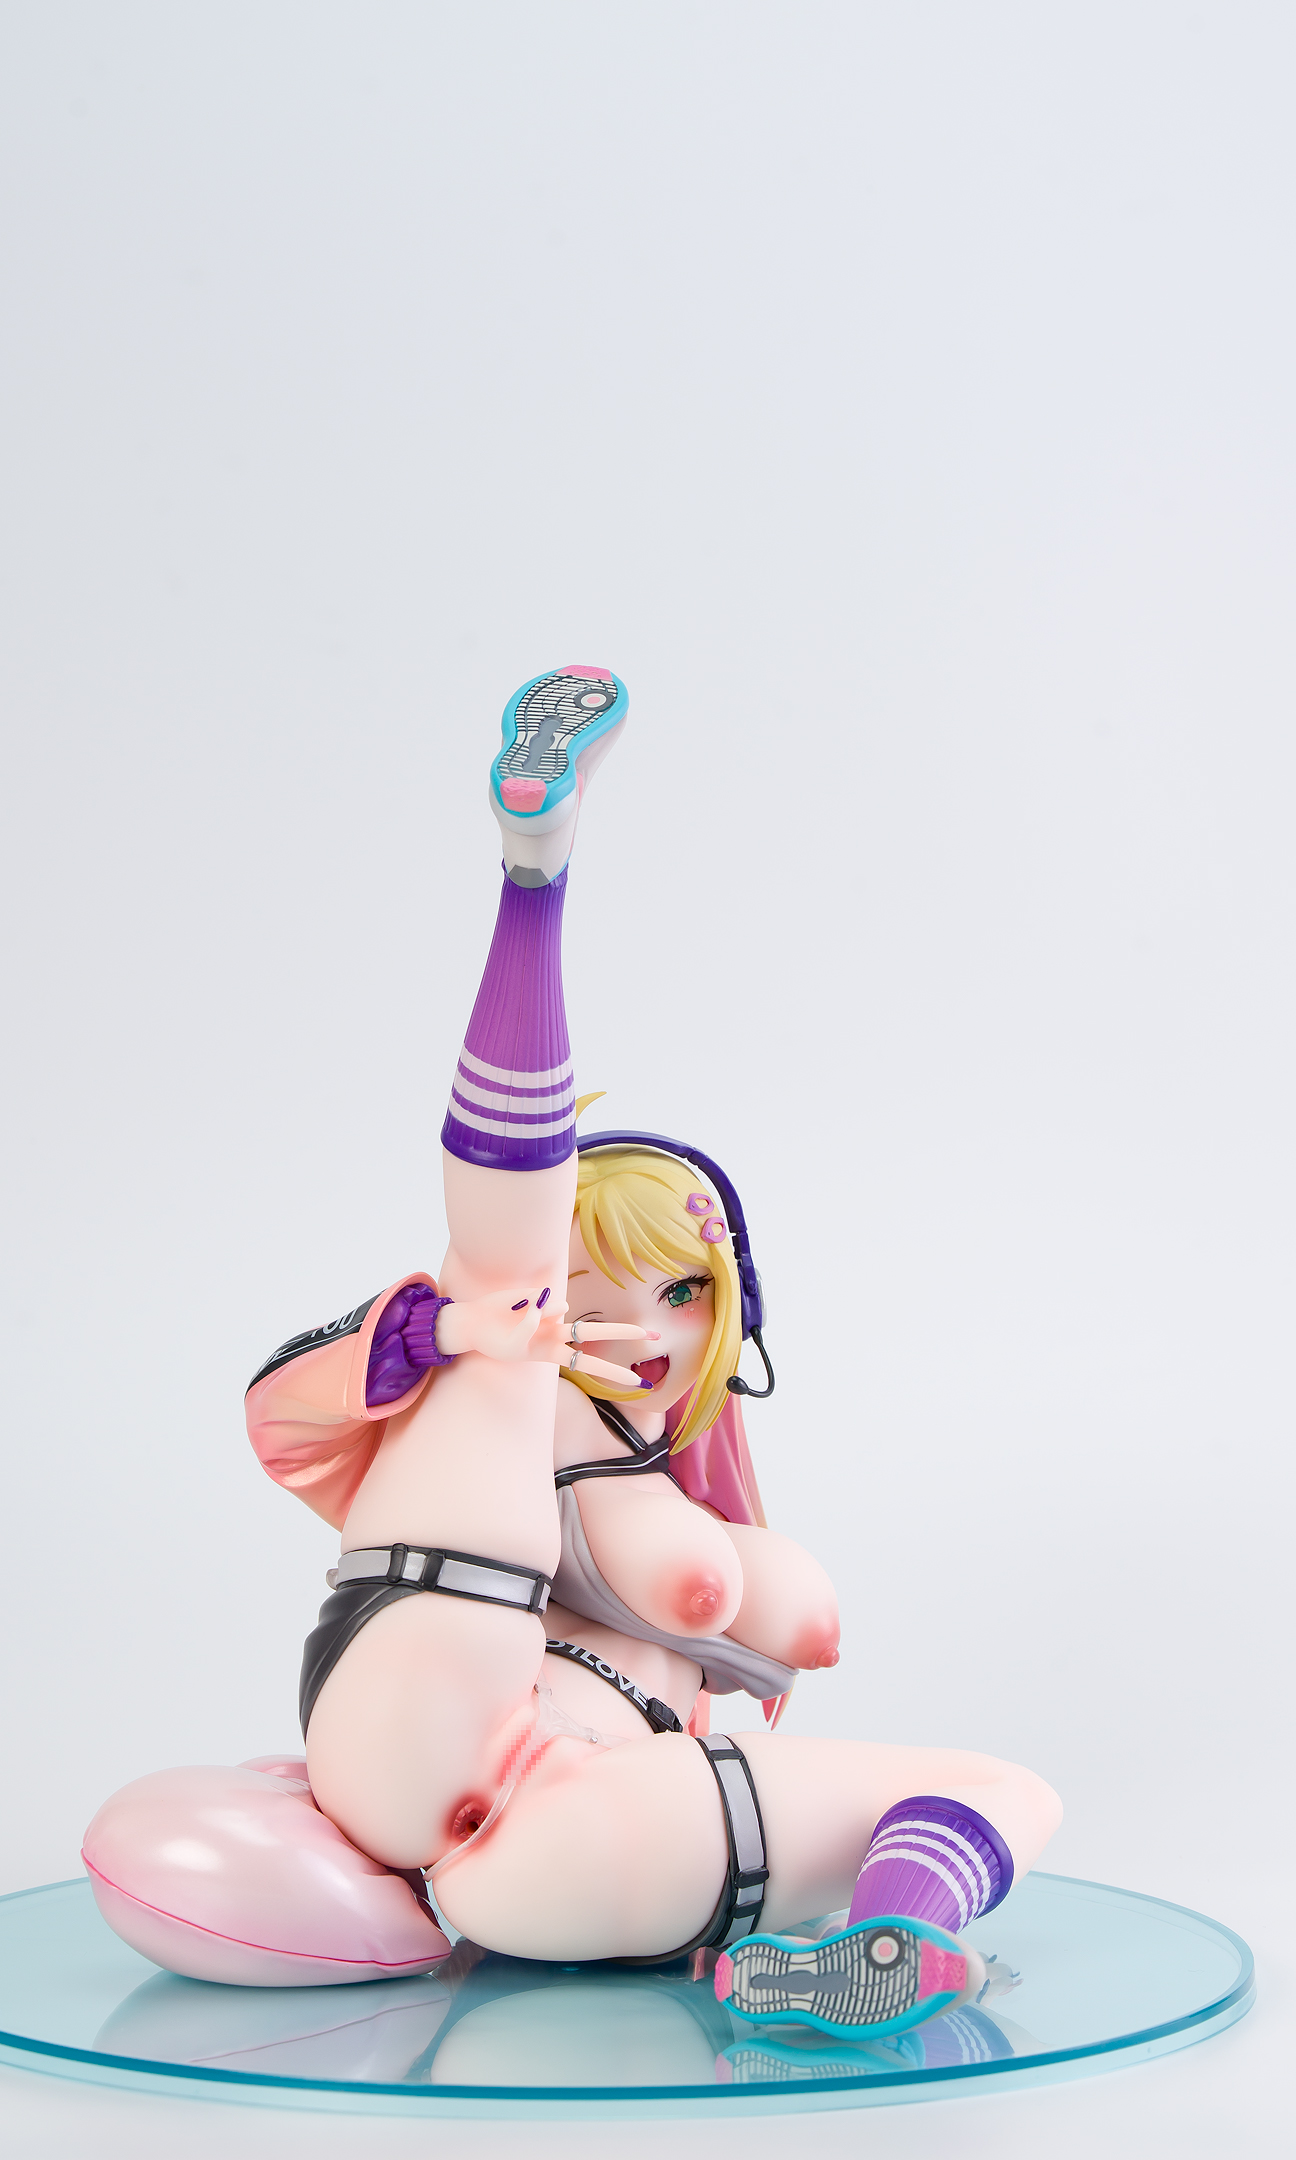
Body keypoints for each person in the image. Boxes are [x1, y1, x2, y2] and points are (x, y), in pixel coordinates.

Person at [242, 666, 1061, 2038]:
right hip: (427, 1680)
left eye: (683, 1290)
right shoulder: (509, 1386)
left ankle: (885, 1950)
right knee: (504, 1309)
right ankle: (535, 872)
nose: (647, 1327)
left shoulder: (678, 1471)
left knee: (1002, 1789)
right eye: (599, 1288)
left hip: (571, 1827)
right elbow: (282, 1401)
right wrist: (449, 1331)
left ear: (730, 1308)